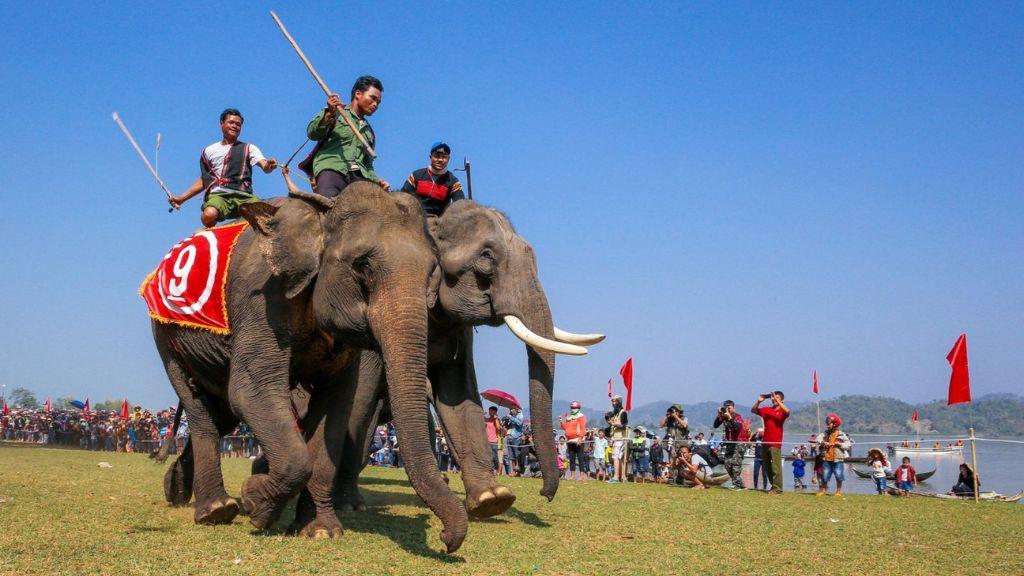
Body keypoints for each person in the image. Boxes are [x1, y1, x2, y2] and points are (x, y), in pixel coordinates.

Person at [170, 108, 278, 227]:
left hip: (244, 197)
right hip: (220, 196)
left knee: (270, 215)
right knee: (208, 215)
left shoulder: (249, 148)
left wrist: (269, 165)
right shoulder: (209, 151)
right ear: (221, 124)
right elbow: (205, 180)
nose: (235, 126)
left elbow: (265, 167)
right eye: (231, 123)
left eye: (238, 124)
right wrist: (182, 198)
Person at [304, 76, 389, 197]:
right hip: (332, 169)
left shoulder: (369, 133)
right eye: (373, 98)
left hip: (359, 178)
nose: (375, 104)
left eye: (378, 102)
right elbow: (313, 133)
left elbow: (368, 165)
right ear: (358, 94)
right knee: (327, 206)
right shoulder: (336, 112)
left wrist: (377, 180)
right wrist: (329, 114)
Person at [400, 142, 465, 216]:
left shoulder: (453, 181)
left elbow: (460, 203)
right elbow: (403, 196)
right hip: (416, 218)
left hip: (439, 222)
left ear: (448, 159)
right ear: (430, 157)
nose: (440, 160)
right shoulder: (416, 175)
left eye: (444, 157)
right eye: (437, 156)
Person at [752, 391, 789, 494]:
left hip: (775, 443)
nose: (773, 399)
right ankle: (774, 486)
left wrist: (778, 401)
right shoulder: (767, 410)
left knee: (776, 467)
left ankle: (778, 488)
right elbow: (754, 410)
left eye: (776, 397)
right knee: (767, 466)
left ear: (781, 400)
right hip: (765, 442)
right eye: (772, 397)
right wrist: (759, 402)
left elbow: (788, 411)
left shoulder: (782, 411)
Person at [713, 400, 749, 489]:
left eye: (729, 408)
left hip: (739, 442)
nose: (728, 410)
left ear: (734, 408)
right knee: (727, 463)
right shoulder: (724, 417)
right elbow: (715, 425)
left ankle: (737, 485)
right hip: (730, 443)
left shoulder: (738, 416)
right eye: (726, 408)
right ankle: (740, 484)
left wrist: (729, 417)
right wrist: (719, 415)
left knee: (736, 464)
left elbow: (737, 427)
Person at [815, 413, 852, 497]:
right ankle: (823, 490)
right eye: (827, 424)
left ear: (835, 424)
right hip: (827, 458)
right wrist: (823, 442)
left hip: (838, 459)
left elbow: (848, 445)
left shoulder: (841, 434)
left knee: (839, 475)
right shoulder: (825, 433)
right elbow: (818, 439)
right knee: (825, 475)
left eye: (829, 424)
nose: (827, 426)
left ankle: (838, 492)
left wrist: (839, 444)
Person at [559, 401, 587, 481]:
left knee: (580, 458)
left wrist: (580, 438)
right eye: (572, 408)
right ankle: (572, 475)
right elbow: (566, 428)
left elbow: (583, 428)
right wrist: (561, 421)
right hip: (570, 441)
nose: (573, 409)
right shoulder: (569, 417)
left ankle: (581, 476)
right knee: (571, 459)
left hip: (578, 440)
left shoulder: (581, 416)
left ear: (578, 408)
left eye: (574, 408)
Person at [604, 395, 629, 483]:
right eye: (612, 402)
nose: (613, 403)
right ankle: (623, 477)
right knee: (619, 458)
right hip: (616, 438)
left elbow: (624, 425)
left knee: (615, 457)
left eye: (615, 401)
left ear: (619, 402)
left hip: (620, 438)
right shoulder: (615, 413)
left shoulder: (623, 412)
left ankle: (616, 477)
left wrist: (614, 424)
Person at [503, 407, 525, 476]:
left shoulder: (520, 415)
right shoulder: (511, 416)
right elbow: (507, 426)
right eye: (510, 409)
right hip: (510, 437)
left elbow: (519, 423)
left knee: (517, 456)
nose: (511, 410)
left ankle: (518, 472)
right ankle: (513, 471)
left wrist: (510, 417)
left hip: (517, 438)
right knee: (511, 457)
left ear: (516, 409)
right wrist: (506, 420)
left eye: (512, 409)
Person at [483, 406, 504, 473]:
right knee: (487, 456)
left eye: (491, 411)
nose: (490, 412)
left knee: (494, 456)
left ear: (495, 412)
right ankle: (490, 470)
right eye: (489, 410)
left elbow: (498, 428)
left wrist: (496, 419)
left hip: (494, 440)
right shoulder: (487, 419)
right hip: (486, 440)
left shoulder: (497, 420)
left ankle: (498, 469)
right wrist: (482, 415)